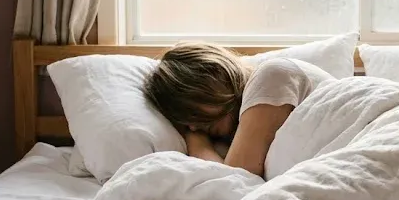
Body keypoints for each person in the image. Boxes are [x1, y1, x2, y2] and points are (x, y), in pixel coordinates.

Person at [143, 42, 334, 179]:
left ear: (215, 76)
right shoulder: (233, 133)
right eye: (183, 120)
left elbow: (232, 182)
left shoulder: (272, 75)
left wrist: (198, 144)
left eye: (190, 108)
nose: (193, 126)